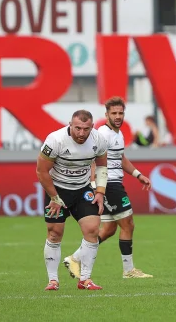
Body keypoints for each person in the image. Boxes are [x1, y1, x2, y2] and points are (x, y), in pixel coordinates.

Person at [64, 97, 154, 279]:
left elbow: (120, 158)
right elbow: (90, 158)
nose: (118, 116)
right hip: (109, 185)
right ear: (106, 115)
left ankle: (75, 258)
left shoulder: (118, 134)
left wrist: (138, 175)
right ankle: (129, 270)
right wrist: (93, 185)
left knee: (109, 230)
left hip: (112, 184)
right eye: (114, 113)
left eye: (120, 113)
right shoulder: (102, 135)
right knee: (128, 224)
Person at [36, 110, 109, 291]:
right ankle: (53, 280)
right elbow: (41, 171)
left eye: (86, 129)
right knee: (54, 233)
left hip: (83, 189)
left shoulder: (98, 140)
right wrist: (54, 197)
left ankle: (85, 279)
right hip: (57, 190)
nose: (81, 133)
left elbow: (101, 166)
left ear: (92, 127)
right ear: (70, 124)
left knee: (92, 230)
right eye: (77, 128)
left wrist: (99, 191)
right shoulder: (55, 140)